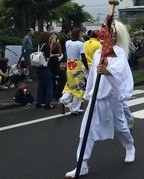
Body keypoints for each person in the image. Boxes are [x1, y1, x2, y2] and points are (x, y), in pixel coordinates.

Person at [64, 20, 135, 178]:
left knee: (120, 127)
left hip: (112, 97)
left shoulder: (119, 52)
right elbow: (92, 77)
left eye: (108, 33)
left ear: (115, 36)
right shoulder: (98, 53)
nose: (103, 35)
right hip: (96, 97)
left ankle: (130, 147)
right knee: (86, 130)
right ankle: (81, 165)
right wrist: (88, 95)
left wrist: (108, 71)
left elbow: (119, 72)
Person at [58, 28, 89, 115]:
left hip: (69, 65)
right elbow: (83, 57)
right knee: (79, 87)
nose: (82, 35)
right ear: (78, 34)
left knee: (70, 86)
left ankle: (63, 100)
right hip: (77, 65)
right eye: (81, 33)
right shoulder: (80, 44)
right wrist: (87, 67)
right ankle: (75, 109)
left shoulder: (67, 42)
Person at [35, 32, 55, 109]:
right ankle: (48, 104)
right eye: (50, 37)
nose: (51, 38)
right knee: (49, 85)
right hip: (44, 67)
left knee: (41, 85)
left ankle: (39, 102)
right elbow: (47, 57)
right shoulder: (46, 46)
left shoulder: (39, 45)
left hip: (38, 67)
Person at [48, 32, 62, 102]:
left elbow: (60, 54)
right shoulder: (48, 43)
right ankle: (51, 94)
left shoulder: (57, 43)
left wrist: (53, 55)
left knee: (55, 77)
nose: (53, 36)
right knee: (50, 78)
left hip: (55, 61)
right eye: (52, 35)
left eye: (54, 35)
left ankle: (55, 95)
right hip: (49, 61)